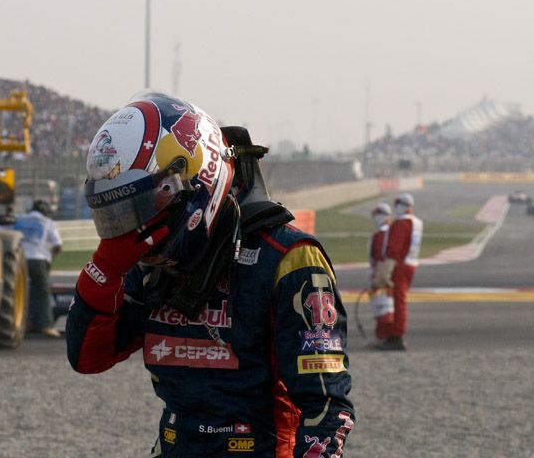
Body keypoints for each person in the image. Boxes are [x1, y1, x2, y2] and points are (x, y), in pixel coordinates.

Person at [66, 92, 355, 457]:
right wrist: (104, 269)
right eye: (116, 215)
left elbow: (327, 409)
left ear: (193, 181)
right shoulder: (145, 262)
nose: (130, 228)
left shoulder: (289, 261)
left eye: (139, 207)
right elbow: (87, 359)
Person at [372, 193, 423, 351]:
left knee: (398, 302)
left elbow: (394, 248)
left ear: (401, 205)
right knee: (398, 301)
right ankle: (393, 333)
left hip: (400, 265)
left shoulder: (401, 224)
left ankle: (396, 336)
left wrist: (385, 271)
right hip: (411, 264)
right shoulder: (417, 222)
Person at [13, 199, 63, 337]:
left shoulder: (19, 219)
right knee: (42, 292)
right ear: (46, 211)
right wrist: (51, 259)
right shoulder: (48, 223)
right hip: (38, 259)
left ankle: (26, 322)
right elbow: (58, 245)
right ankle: (46, 325)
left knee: (23, 292)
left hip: (19, 260)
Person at [366, 202, 395, 348]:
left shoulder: (382, 235)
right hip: (385, 275)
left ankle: (383, 337)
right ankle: (383, 336)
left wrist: (378, 276)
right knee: (383, 307)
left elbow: (379, 256)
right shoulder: (386, 233)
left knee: (382, 307)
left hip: (381, 276)